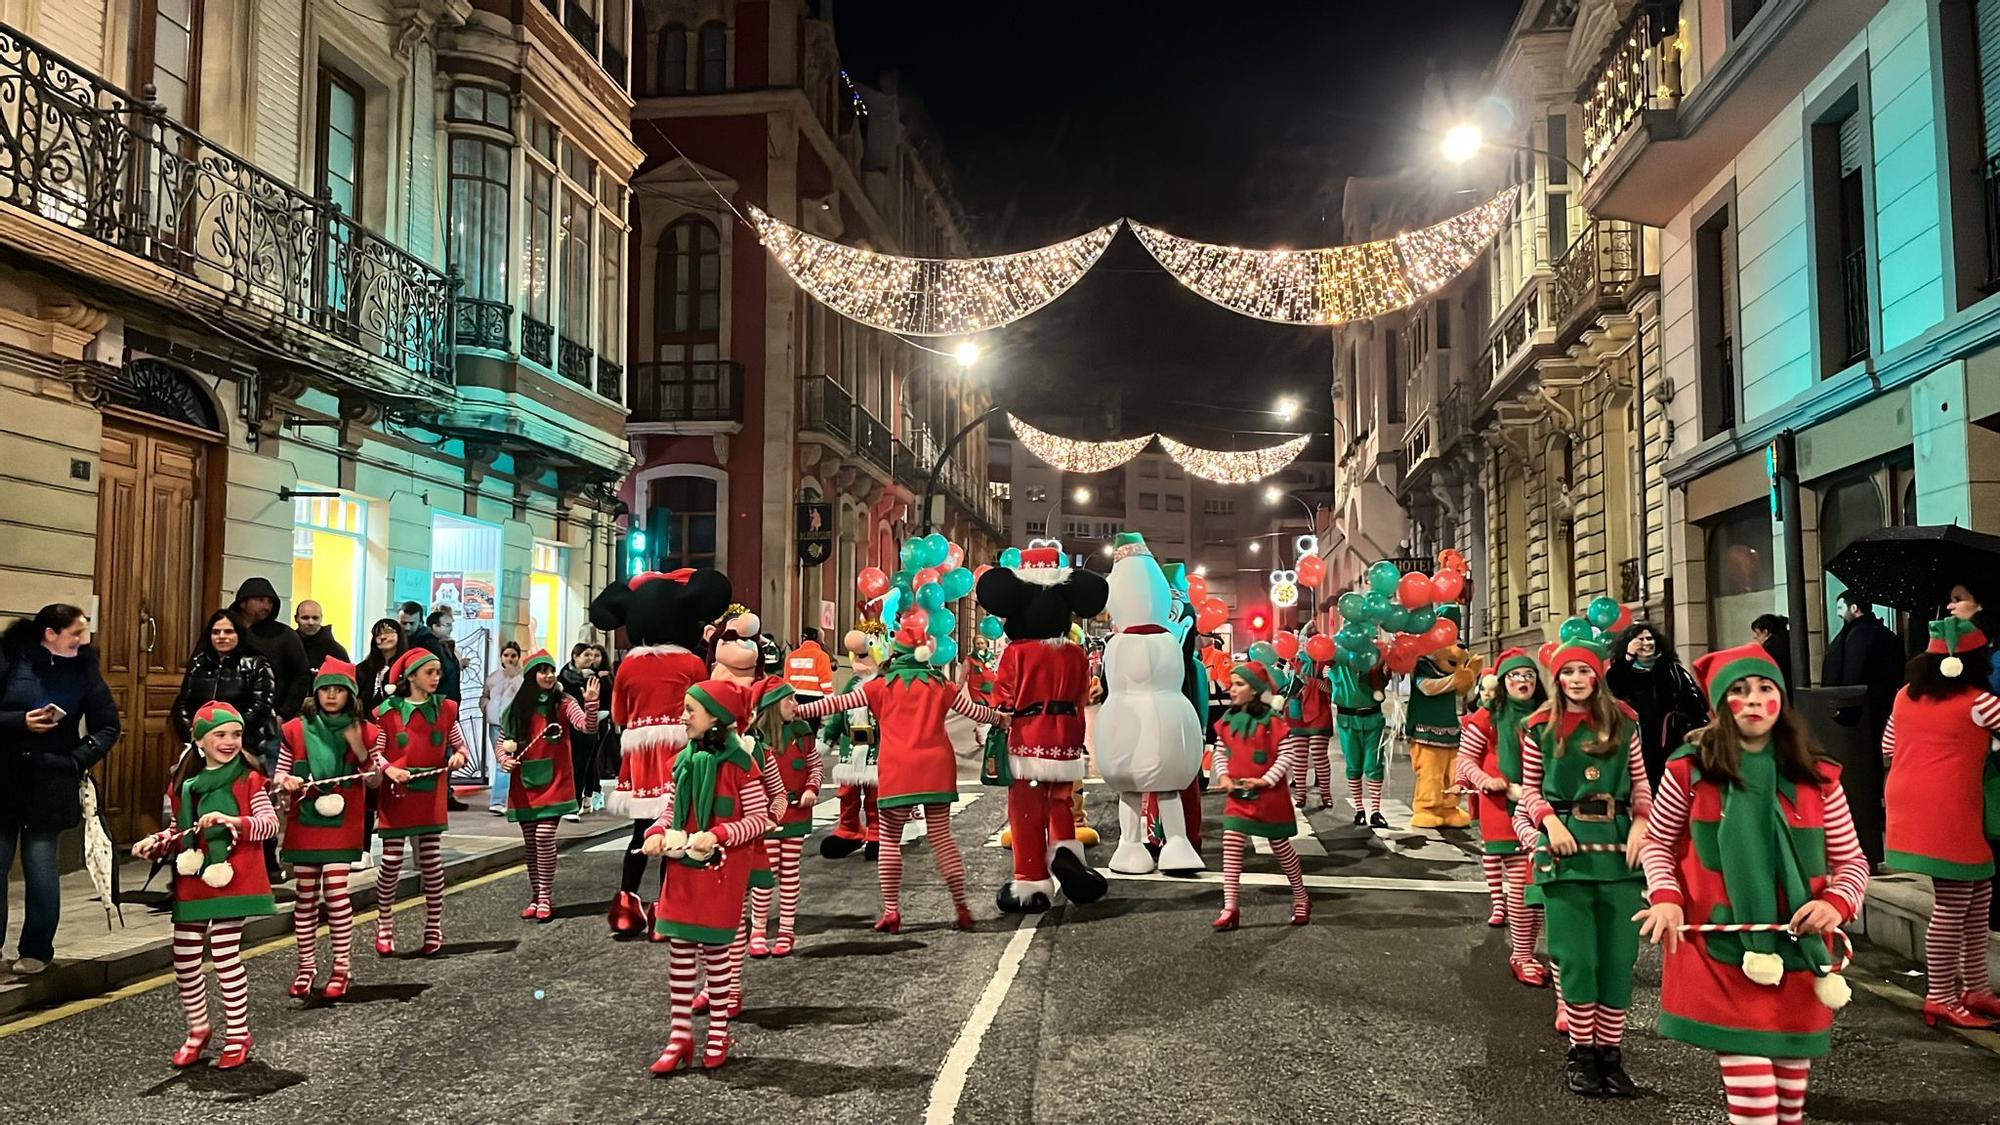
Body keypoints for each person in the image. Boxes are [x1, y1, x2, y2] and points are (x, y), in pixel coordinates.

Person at [1636, 643, 1868, 1125]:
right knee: (1756, 1100)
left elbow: (1851, 862)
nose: (1756, 700)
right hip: (1721, 948)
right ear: (1721, 703)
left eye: (1766, 688)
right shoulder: (1690, 770)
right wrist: (1666, 898)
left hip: (1799, 952)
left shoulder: (1819, 777)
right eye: (1740, 690)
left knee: (1788, 1099)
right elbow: (1658, 843)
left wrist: (1836, 904)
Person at [1514, 638, 1651, 1098]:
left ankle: (1611, 1056)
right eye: (1568, 672)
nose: (1576, 680)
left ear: (1598, 677)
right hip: (1565, 850)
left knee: (1616, 960)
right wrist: (1550, 823)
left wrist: (1641, 826)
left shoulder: (1624, 721)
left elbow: (1641, 784)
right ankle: (1581, 1054)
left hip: (1618, 850)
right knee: (1576, 959)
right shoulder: (1538, 726)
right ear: (1558, 679)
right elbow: (1529, 790)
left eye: (1584, 672)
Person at [796, 634, 1005, 933]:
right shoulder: (941, 685)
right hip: (937, 768)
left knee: (890, 841)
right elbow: (976, 712)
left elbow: (836, 704)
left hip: (897, 768)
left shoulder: (878, 686)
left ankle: (892, 912)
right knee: (942, 838)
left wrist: (798, 710)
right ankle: (961, 907)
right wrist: (1003, 720)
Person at [639, 678, 777, 1073]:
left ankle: (718, 1031)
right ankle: (679, 1036)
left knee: (716, 957)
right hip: (683, 867)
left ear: (715, 717)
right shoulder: (683, 760)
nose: (683, 718)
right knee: (679, 950)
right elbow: (669, 811)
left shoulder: (741, 766)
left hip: (721, 871)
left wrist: (718, 834)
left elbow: (758, 821)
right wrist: (655, 834)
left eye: (689, 711)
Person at [131, 702, 278, 1069]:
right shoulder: (184, 786)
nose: (229, 742)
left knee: (226, 955)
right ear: (199, 741)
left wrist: (234, 821)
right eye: (220, 735)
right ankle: (198, 1030)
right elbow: (181, 834)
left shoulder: (250, 779)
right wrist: (156, 843)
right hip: (195, 879)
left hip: (236, 877)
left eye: (236, 734)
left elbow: (269, 824)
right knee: (184, 959)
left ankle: (238, 1034)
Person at [1881, 617, 2000, 1028]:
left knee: (1979, 891)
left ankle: (1977, 988)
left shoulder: (1903, 697)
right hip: (1950, 807)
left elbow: (1887, 746)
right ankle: (1941, 995)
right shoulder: (1981, 702)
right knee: (1953, 903)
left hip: (1909, 802)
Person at [0, 605, 119, 976]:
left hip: (51, 775)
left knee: (40, 866)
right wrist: (21, 721)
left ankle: (36, 950)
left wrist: (76, 761)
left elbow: (108, 727)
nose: (84, 641)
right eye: (76, 633)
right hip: (3, 773)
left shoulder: (85, 671)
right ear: (50, 633)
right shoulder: (11, 660)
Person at [273, 660, 375, 1001]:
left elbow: (374, 778)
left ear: (351, 695)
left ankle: (341, 969)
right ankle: (305, 968)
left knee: (335, 892)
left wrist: (360, 749)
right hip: (306, 819)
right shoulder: (295, 729)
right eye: (325, 689)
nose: (331, 696)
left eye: (339, 690)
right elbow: (279, 773)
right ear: (315, 692)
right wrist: (284, 781)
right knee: (304, 897)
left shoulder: (365, 729)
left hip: (342, 820)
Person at [367, 649, 470, 956]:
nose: (436, 678)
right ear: (411, 676)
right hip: (398, 793)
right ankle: (384, 923)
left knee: (431, 863)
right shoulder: (388, 711)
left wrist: (458, 756)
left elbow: (460, 745)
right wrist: (389, 769)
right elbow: (376, 752)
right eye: (430, 672)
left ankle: (434, 926)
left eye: (438, 672)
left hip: (430, 793)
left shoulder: (445, 709)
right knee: (391, 863)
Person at [1457, 648, 1549, 986]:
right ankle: (1522, 954)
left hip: (1544, 807)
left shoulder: (1548, 713)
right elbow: (1465, 760)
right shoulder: (1488, 716)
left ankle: (1529, 950)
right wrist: (1487, 781)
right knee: (1526, 886)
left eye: (1528, 675)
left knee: (1537, 887)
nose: (1522, 681)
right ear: (1503, 682)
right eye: (1514, 676)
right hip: (1503, 807)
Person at [496, 650, 598, 921]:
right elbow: (502, 741)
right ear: (531, 676)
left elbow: (586, 727)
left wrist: (591, 704)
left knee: (543, 836)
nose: (549, 675)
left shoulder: (564, 703)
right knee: (530, 842)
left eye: (551, 670)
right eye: (542, 670)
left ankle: (545, 897)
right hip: (525, 784)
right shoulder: (516, 708)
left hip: (555, 781)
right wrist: (504, 759)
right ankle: (534, 895)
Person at [1210, 661, 1310, 931]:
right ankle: (1230, 907)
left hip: (1269, 797)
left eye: (1239, 684)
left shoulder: (1273, 721)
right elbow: (1221, 752)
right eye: (1232, 684)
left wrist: (1265, 780)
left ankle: (1301, 897)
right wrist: (1224, 777)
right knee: (1231, 846)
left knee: (1281, 847)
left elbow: (1288, 754)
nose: (1232, 689)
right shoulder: (1228, 719)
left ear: (1254, 690)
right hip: (1239, 797)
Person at [744, 681, 822, 958]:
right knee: (766, 873)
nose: (796, 706)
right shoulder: (752, 739)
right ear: (773, 705)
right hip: (765, 817)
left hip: (796, 814)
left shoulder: (802, 732)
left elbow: (814, 765)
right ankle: (758, 931)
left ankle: (786, 930)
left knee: (790, 871)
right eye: (789, 700)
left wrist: (812, 788)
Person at [1606, 622, 1710, 787]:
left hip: (1674, 740)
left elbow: (1697, 703)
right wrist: (1628, 658)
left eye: (1650, 638)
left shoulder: (1673, 669)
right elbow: (1614, 686)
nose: (1647, 643)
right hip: (1640, 741)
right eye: (1640, 639)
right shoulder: (1622, 671)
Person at [229, 578, 309, 741]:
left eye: (269, 602)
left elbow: (301, 677)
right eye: (260, 600)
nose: (266, 606)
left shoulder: (284, 635)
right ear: (243, 602)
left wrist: (283, 715)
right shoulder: (224, 630)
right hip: (227, 719)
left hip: (269, 722)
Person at [1332, 658, 1390, 827]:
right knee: (1353, 765)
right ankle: (1359, 810)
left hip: (1373, 716)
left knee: (1374, 765)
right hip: (1347, 718)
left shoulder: (1375, 657)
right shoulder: (1336, 656)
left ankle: (1375, 811)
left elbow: (1387, 674)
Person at [483, 642, 524, 814]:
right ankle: (502, 800)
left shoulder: (522, 676)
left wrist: (515, 676)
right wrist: (485, 707)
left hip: (512, 725)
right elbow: (485, 695)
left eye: (513, 655)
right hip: (494, 724)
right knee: (501, 760)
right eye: (506, 655)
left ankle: (499, 801)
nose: (509, 659)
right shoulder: (493, 677)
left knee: (505, 761)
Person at [293, 600, 350, 670]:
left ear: (321, 618)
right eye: (305, 618)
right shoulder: (288, 644)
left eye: (315, 618)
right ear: (296, 618)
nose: (311, 622)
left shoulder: (335, 651)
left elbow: (347, 678)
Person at [1751, 614, 1793, 697]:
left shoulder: (1769, 650)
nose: (1754, 637)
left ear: (1766, 632)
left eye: (1757, 633)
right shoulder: (1790, 638)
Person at [787, 627, 834, 699]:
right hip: (815, 698)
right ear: (817, 639)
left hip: (795, 697)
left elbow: (786, 680)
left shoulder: (791, 656)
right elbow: (825, 681)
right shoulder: (821, 656)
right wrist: (830, 699)